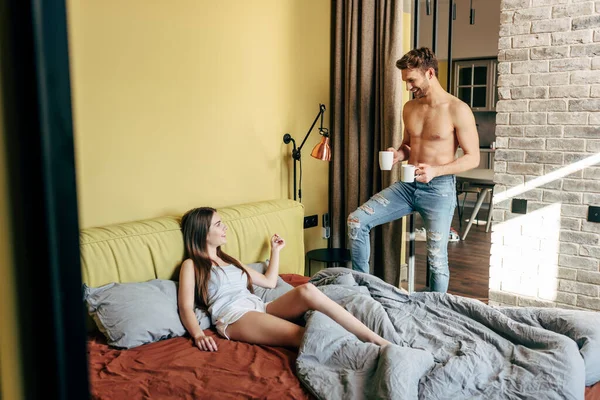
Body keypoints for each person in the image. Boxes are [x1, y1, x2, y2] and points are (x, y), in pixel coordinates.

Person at [347, 47, 480, 293]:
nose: (408, 87)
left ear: (430, 73)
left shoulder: (457, 109)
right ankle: (361, 291)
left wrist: (435, 171)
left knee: (436, 259)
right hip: (407, 186)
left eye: (411, 80)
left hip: (438, 190)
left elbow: (473, 158)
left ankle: (436, 313)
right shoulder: (410, 108)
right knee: (356, 220)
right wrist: (398, 154)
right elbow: (409, 145)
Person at [178, 206, 391, 352]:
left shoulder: (231, 260)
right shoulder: (192, 265)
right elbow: (186, 307)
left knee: (307, 291)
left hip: (259, 307)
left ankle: (375, 339)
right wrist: (198, 335)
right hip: (235, 316)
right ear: (201, 231)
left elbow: (269, 282)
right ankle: (363, 352)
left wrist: (275, 251)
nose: (224, 228)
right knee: (304, 335)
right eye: (218, 224)